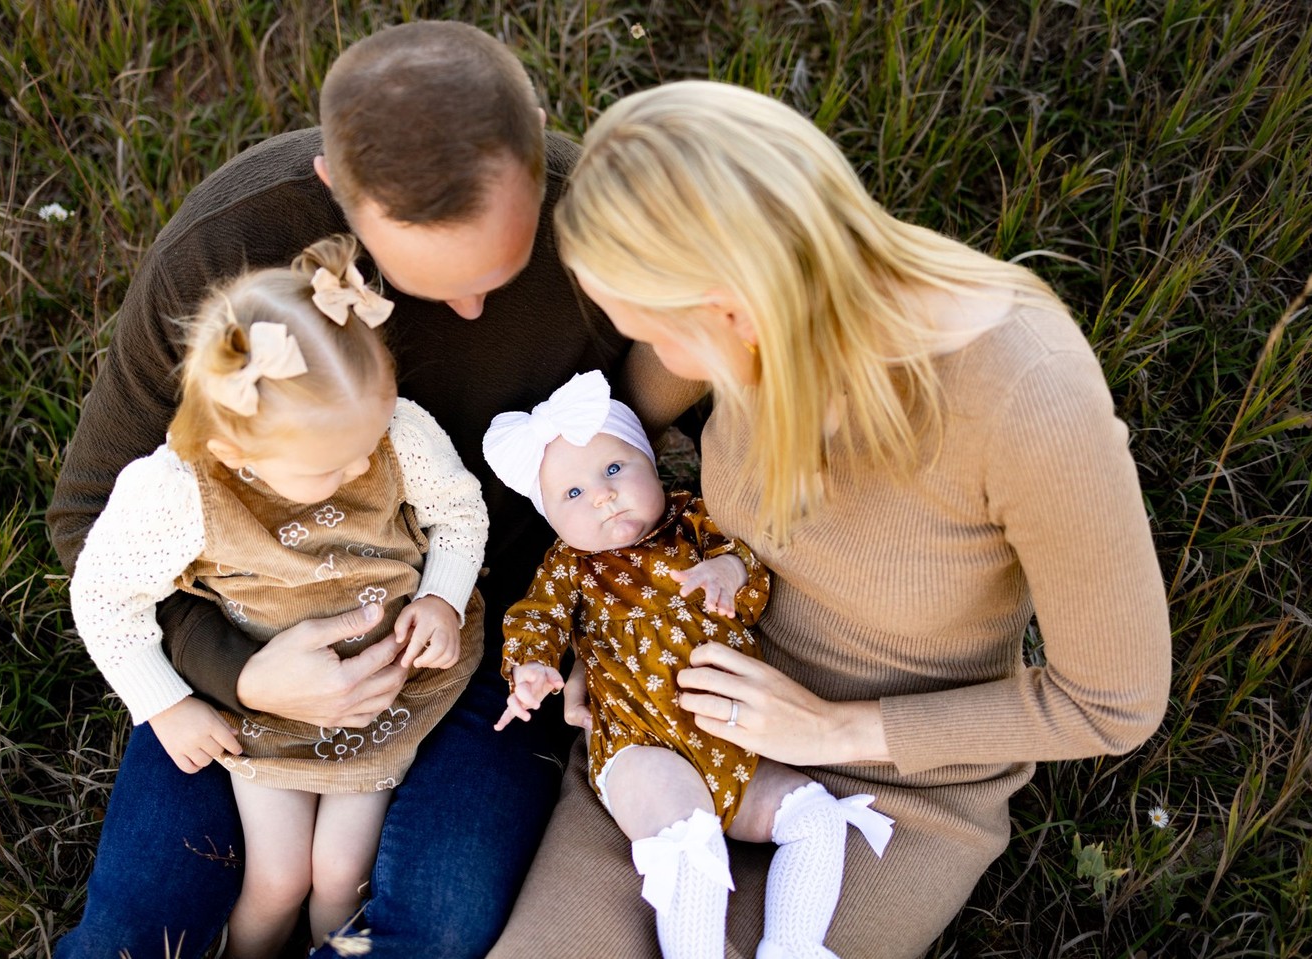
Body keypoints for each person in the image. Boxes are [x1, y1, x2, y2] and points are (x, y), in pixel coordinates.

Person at [47, 21, 702, 959]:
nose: (472, 310)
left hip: (490, 616)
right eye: (428, 280)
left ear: (540, 145)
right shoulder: (224, 255)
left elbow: (735, 442)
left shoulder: (610, 229)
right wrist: (236, 668)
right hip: (256, 614)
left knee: (428, 925)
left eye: (502, 268)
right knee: (136, 934)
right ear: (334, 188)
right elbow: (86, 517)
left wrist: (619, 613)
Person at [489, 81, 1172, 958]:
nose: (662, 361)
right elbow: (616, 432)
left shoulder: (1024, 397)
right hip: (677, 709)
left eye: (663, 336)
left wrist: (826, 730)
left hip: (896, 773)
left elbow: (1113, 703)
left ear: (732, 308)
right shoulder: (765, 316)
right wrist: (610, 631)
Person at [69, 235, 489, 957]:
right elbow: (104, 594)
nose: (364, 461)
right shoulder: (179, 491)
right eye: (333, 462)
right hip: (263, 706)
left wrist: (442, 598)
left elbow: (457, 511)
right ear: (237, 450)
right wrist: (166, 704)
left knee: (341, 871)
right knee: (276, 875)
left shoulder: (396, 431)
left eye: (371, 432)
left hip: (383, 692)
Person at [484, 370, 894, 959]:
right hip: (641, 744)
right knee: (688, 840)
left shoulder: (696, 524)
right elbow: (535, 618)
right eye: (572, 495)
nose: (601, 495)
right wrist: (531, 668)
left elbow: (750, 572)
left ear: (653, 464)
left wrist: (728, 572)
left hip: (734, 740)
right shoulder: (570, 564)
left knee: (817, 818)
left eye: (614, 470)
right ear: (552, 519)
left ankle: (793, 945)